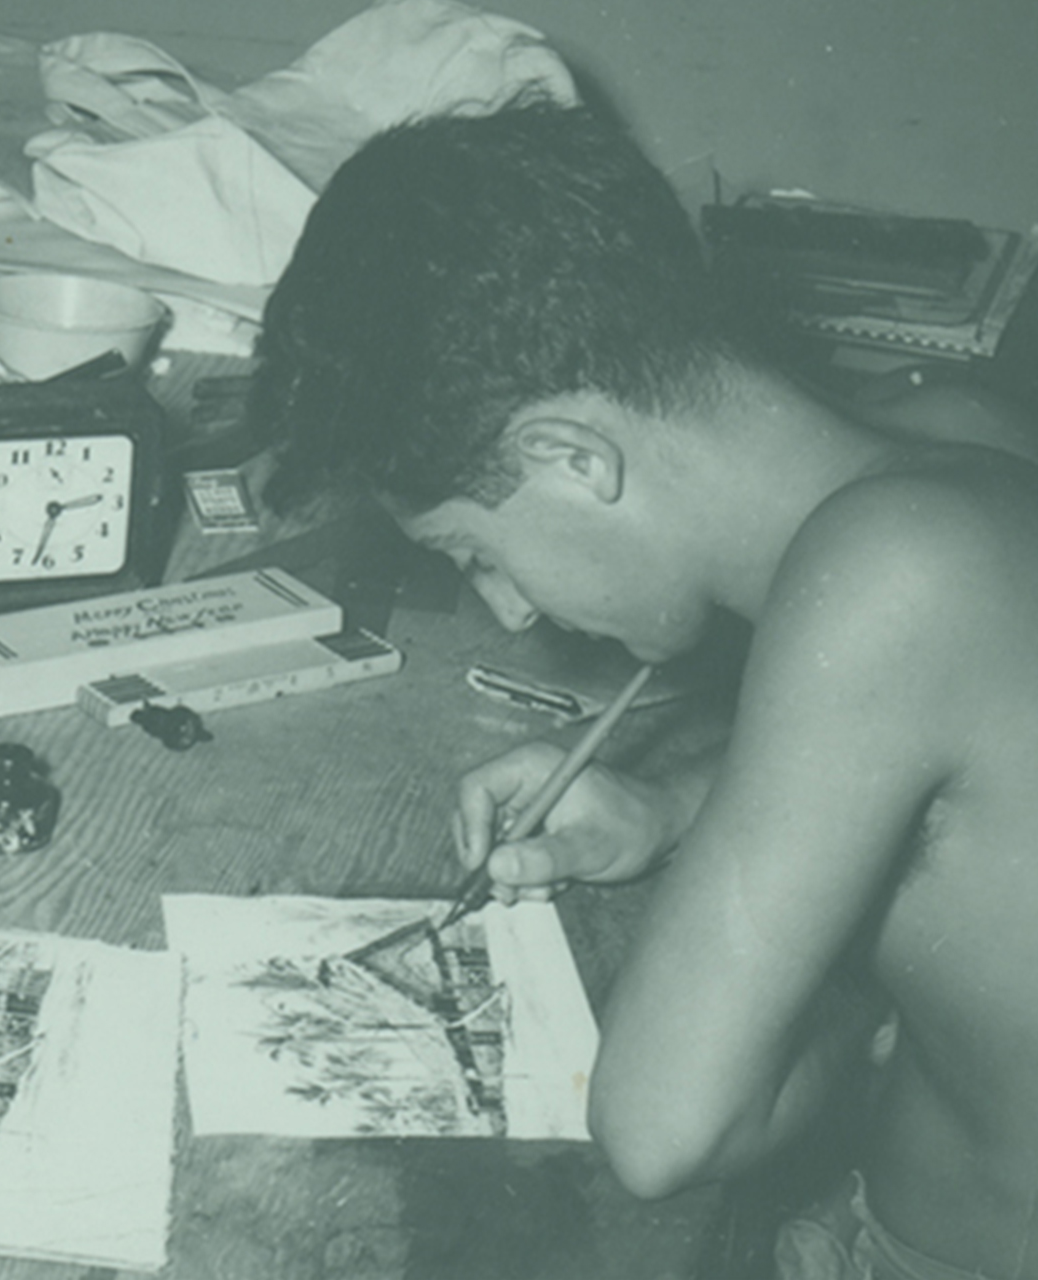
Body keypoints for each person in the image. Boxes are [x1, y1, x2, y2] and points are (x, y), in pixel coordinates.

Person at [251, 99, 1038, 1279]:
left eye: (476, 550)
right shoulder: (953, 434)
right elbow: (961, 783)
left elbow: (663, 1129)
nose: (508, 609)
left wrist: (851, 1007)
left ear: (571, 454)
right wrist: (669, 806)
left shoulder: (887, 580)